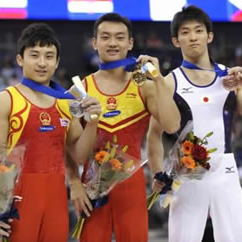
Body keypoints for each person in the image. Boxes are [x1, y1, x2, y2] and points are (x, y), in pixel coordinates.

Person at [147, 5, 242, 242]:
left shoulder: (231, 77)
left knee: (235, 238)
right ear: (175, 40)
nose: (192, 37)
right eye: (185, 32)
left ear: (209, 36)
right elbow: (153, 134)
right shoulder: (169, 82)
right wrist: (158, 174)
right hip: (187, 171)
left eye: (198, 30)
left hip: (226, 170)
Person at [67, 13, 180, 242]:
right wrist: (75, 183)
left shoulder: (145, 88)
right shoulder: (78, 91)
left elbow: (171, 125)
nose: (112, 43)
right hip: (92, 190)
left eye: (120, 38)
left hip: (131, 188)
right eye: (105, 37)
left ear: (130, 43)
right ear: (95, 42)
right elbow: (69, 148)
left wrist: (158, 80)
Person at [0, 23, 102, 242]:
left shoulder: (66, 103)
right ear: (20, 59)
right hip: (19, 197)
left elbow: (79, 155)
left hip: (56, 198)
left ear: (57, 63)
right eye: (34, 55)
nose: (41, 63)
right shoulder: (5, 100)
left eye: (49, 56)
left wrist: (93, 123)